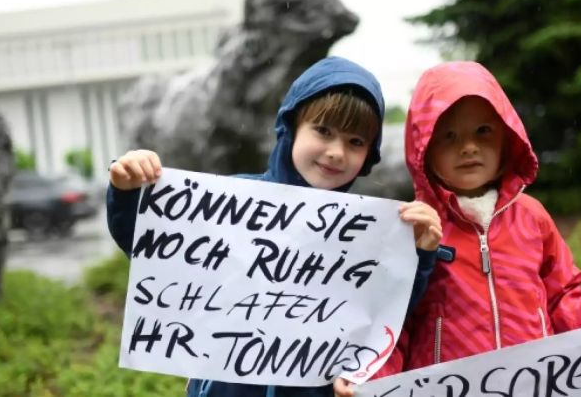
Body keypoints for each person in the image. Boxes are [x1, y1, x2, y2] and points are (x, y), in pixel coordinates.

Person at [106, 56, 443, 397]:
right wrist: (128, 190)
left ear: (370, 155)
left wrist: (420, 252)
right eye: (323, 131)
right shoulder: (229, 204)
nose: (336, 152)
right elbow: (151, 247)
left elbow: (385, 312)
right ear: (292, 127)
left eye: (355, 142)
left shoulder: (374, 232)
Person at [333, 61, 581, 397]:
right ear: (424, 150)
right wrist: (369, 377)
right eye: (449, 136)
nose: (468, 146)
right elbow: (394, 322)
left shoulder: (532, 217)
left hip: (534, 384)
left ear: (507, 138)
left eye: (483, 131)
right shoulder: (415, 228)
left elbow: (561, 297)